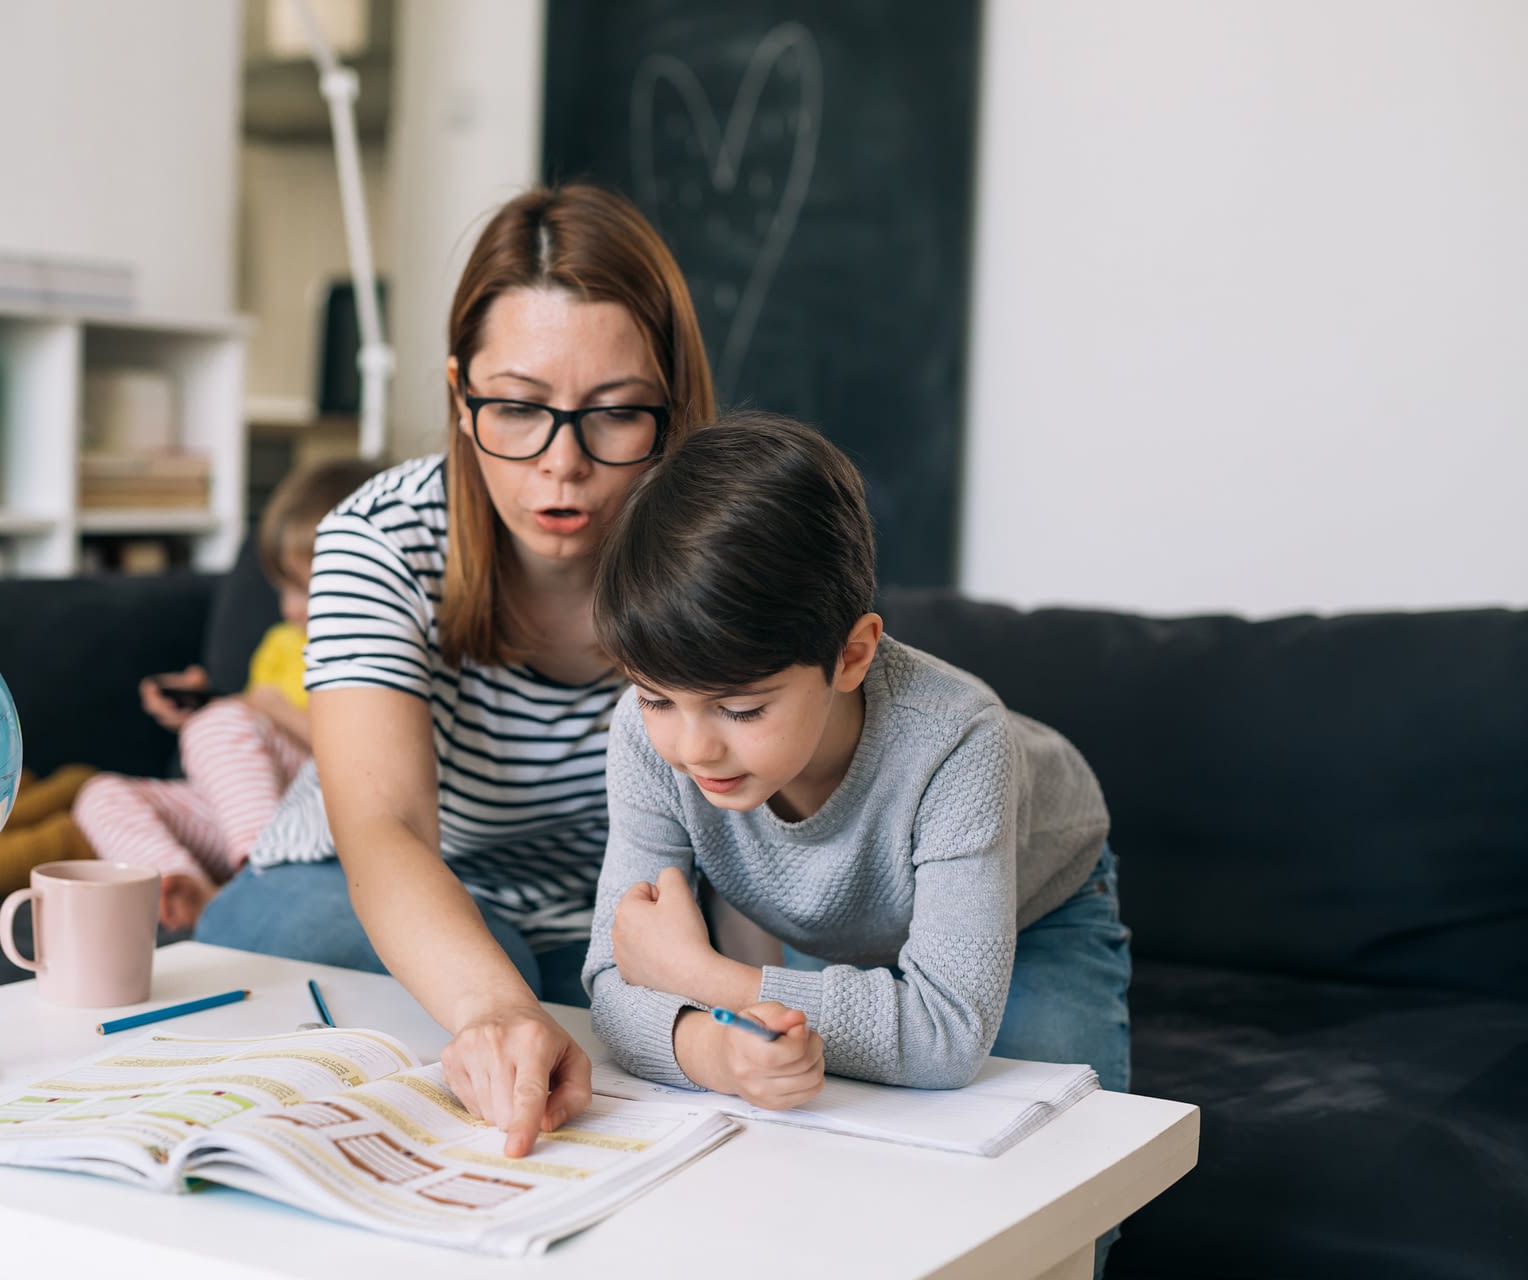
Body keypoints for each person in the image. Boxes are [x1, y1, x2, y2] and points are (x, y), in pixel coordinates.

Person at [194, 184, 717, 1156]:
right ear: (458, 391)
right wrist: (491, 1004)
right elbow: (383, 825)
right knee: (486, 1006)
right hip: (359, 884)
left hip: (604, 914)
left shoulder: (720, 541)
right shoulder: (378, 537)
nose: (560, 463)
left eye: (614, 414)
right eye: (517, 408)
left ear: (671, 404)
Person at [583, 411, 1130, 1113]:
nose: (692, 750)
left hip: (1038, 905)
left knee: (1068, 1161)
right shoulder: (646, 735)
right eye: (657, 698)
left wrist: (703, 978)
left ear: (852, 655)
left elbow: (946, 1034)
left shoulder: (960, 740)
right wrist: (714, 1050)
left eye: (742, 710)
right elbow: (615, 976)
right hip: (843, 920)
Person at [72, 458, 377, 929]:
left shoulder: (373, 647)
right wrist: (209, 704)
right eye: (282, 588)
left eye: (306, 589)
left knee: (222, 722)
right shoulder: (280, 643)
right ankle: (191, 892)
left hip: (326, 820)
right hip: (256, 817)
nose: (289, 608)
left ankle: (265, 892)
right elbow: (246, 744)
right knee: (99, 794)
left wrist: (262, 708)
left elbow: (372, 759)